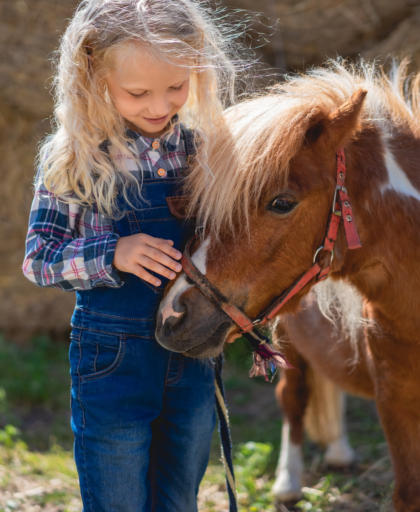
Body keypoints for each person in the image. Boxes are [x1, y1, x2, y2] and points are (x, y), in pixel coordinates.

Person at [22, 1, 247, 510]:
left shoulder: (203, 151)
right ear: (93, 77)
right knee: (119, 495)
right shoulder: (75, 158)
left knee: (178, 496)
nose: (159, 105)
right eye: (138, 93)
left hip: (190, 354)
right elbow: (39, 258)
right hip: (112, 358)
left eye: (176, 86)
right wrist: (113, 253)